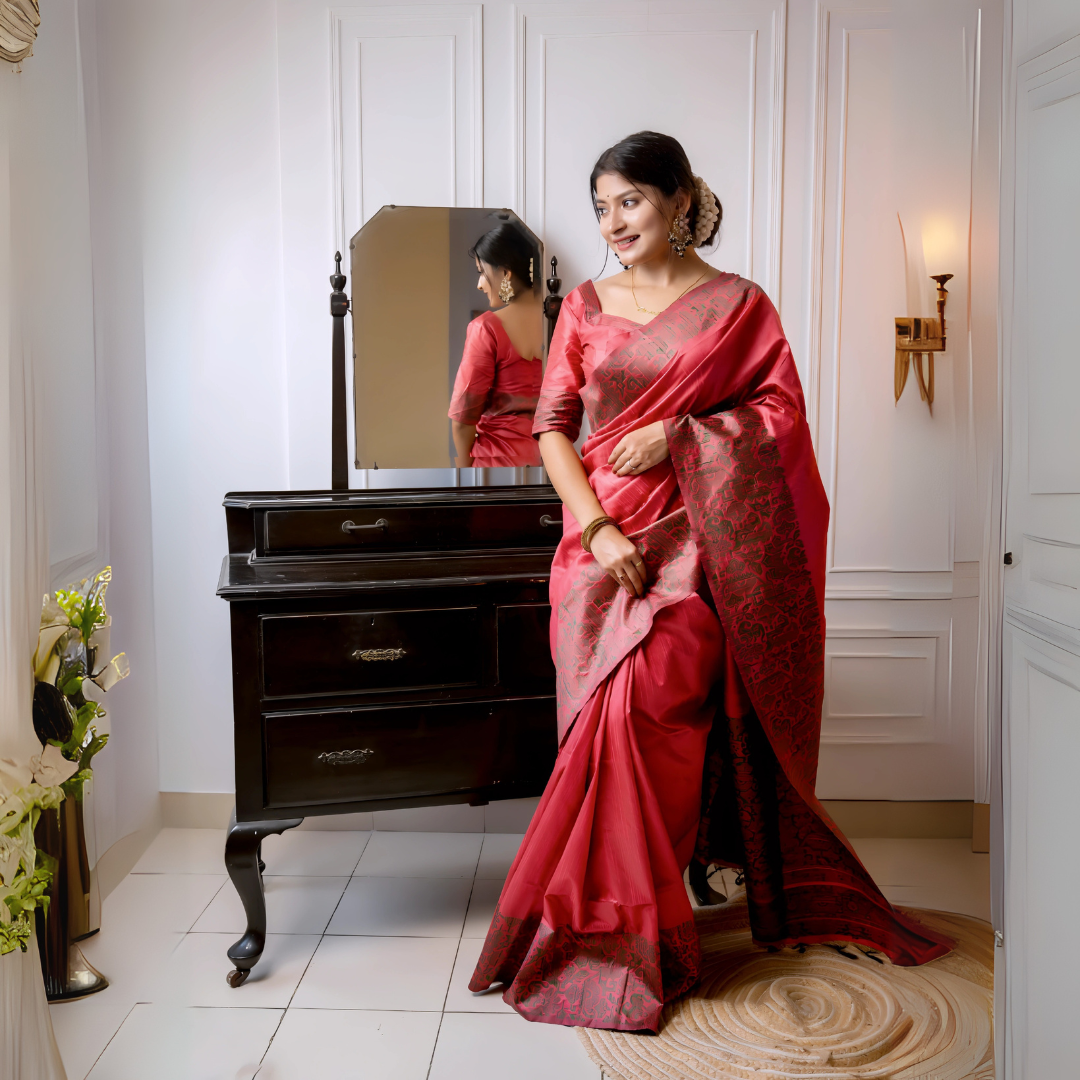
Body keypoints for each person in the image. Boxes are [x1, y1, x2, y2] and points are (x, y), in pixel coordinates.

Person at [468, 131, 951, 1033]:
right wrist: (601, 526)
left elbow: (778, 414)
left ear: (679, 201)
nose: (614, 223)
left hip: (701, 542)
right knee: (598, 735)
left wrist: (684, 433)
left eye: (631, 203)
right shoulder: (582, 308)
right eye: (602, 206)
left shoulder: (738, 305)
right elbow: (550, 429)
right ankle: (605, 926)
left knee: (652, 705)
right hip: (596, 549)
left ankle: (637, 935)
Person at [448, 224, 544, 467]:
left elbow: (462, 420)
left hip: (496, 468)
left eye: (482, 272)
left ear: (505, 273)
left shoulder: (486, 328)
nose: (480, 284)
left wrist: (463, 477)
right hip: (550, 465)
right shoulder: (561, 322)